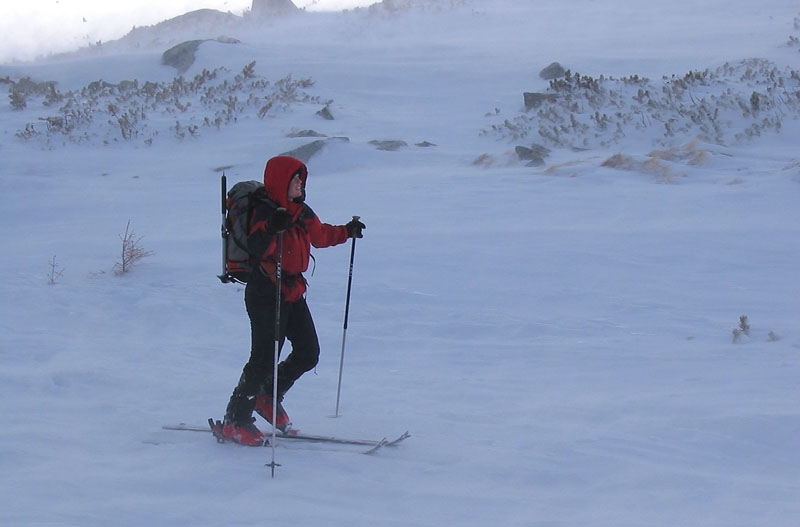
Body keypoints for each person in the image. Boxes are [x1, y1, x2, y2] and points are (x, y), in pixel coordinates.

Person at [221, 155, 365, 446]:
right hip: (265, 291)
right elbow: (256, 246)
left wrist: (346, 233)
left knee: (308, 352)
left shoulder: (301, 211)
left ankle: (267, 396)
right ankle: (235, 419)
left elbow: (321, 235)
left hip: (293, 291)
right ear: (281, 181)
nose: (300, 183)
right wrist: (273, 227)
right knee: (262, 359)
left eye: (302, 178)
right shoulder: (264, 211)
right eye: (295, 178)